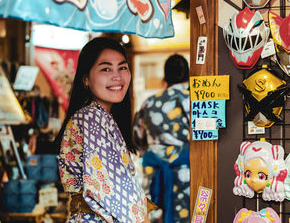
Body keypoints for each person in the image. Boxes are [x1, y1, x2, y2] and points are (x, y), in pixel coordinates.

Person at [55, 37, 150, 223]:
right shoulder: (91, 117)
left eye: (122, 67)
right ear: (85, 79)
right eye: (106, 69)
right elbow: (112, 188)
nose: (117, 76)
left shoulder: (99, 117)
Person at [133, 54, 190, 223]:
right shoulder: (193, 100)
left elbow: (137, 138)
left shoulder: (149, 103)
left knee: (155, 214)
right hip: (185, 171)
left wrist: (154, 151)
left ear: (165, 76)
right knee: (185, 214)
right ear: (188, 74)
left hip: (154, 170)